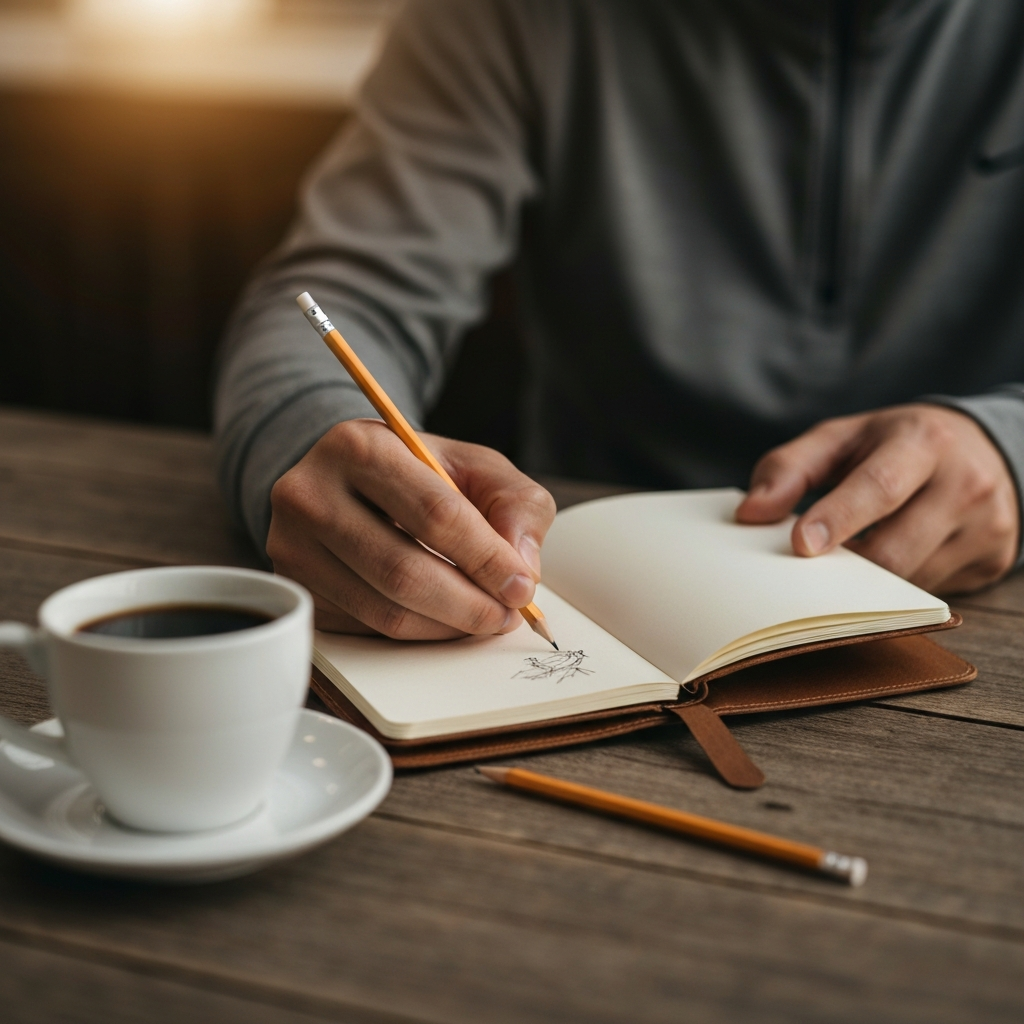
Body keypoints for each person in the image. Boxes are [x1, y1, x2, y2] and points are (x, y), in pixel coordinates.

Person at [215, 0, 1024, 639]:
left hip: (971, 608)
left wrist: (1011, 450)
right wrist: (312, 439)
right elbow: (350, 288)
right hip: (578, 588)